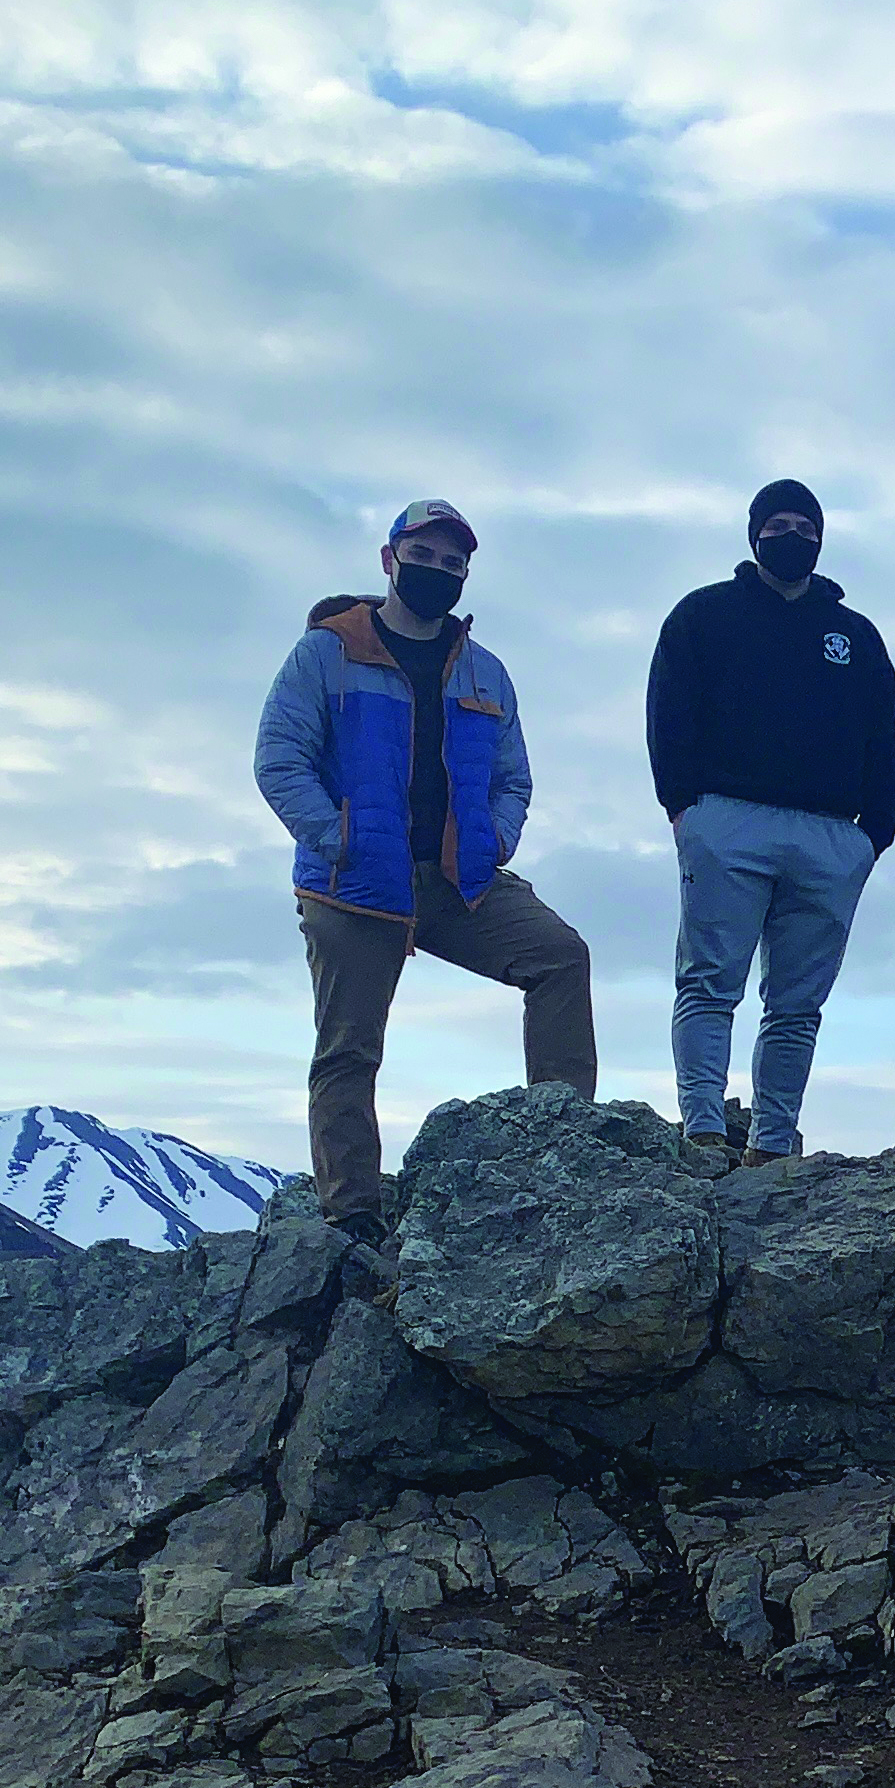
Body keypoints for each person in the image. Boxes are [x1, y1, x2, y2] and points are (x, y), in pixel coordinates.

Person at [254, 497, 594, 1240]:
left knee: (560, 958)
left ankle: (568, 1152)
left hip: (455, 879)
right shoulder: (328, 651)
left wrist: (494, 842)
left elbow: (514, 777)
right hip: (353, 885)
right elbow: (280, 759)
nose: (438, 571)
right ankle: (352, 1213)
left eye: (453, 563)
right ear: (389, 559)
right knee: (349, 1045)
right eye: (425, 556)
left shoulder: (484, 670)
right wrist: (336, 837)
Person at [646, 479, 895, 1164]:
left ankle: (773, 1143)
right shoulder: (703, 616)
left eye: (806, 525)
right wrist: (686, 809)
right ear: (753, 533)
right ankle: (702, 1129)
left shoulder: (856, 635)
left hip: (831, 835)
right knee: (709, 982)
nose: (794, 536)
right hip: (726, 820)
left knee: (796, 1005)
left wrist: (873, 834)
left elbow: (884, 735)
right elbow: (669, 713)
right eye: (779, 523)